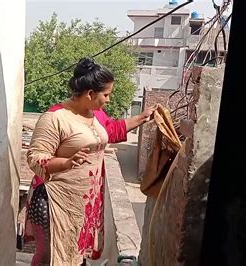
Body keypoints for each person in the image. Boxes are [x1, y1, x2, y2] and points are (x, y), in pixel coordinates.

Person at [24, 58, 155, 265]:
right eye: (106, 95)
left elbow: (111, 131)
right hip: (54, 203)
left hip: (83, 203)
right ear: (90, 94)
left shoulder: (95, 115)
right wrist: (66, 163)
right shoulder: (55, 118)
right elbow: (35, 158)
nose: (109, 100)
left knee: (75, 256)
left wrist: (142, 118)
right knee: (49, 258)